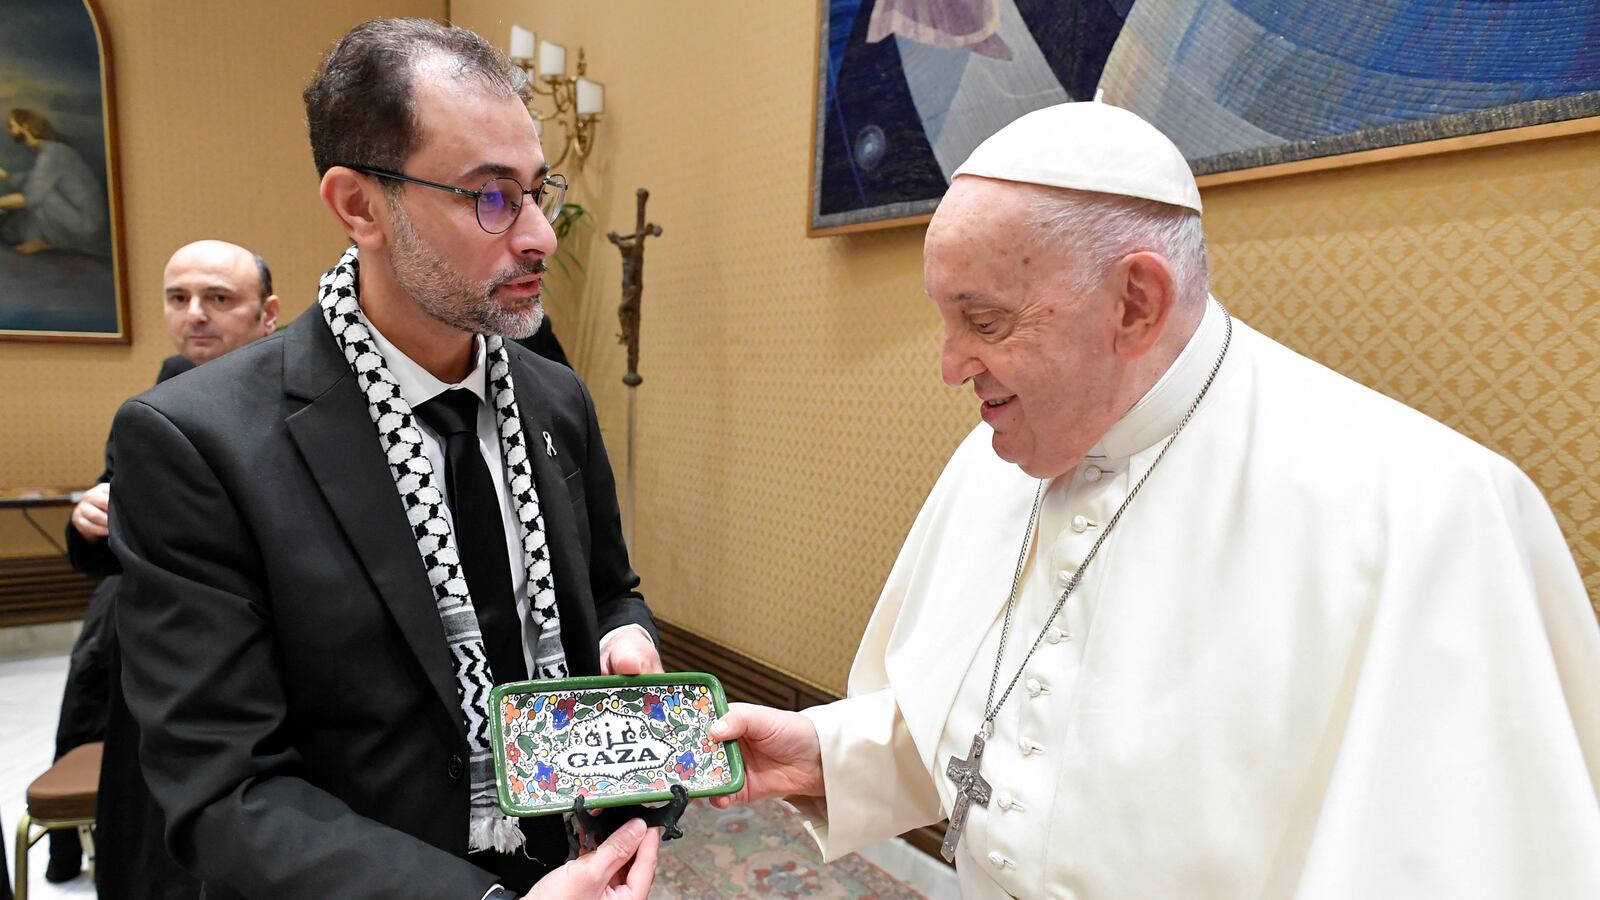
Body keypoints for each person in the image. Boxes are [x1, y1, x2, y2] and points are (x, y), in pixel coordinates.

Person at [712, 101, 1600, 898]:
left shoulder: (1422, 513)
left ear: (1136, 301)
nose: (950, 367)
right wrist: (823, 758)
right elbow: (986, 723)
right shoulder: (1002, 451)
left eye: (984, 322)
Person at [108, 18, 662, 899]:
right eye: (490, 196)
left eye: (537, 191)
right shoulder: (197, 442)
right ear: (359, 206)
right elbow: (225, 791)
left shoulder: (556, 398)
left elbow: (607, 588)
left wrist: (625, 635)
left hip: (567, 857)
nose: (539, 238)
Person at [51, 239, 278, 889]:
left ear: (267, 313)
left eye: (218, 298)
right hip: (157, 648)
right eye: (179, 298)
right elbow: (112, 511)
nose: (195, 314)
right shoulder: (154, 402)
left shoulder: (303, 396)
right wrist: (91, 517)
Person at [0, 107, 110, 256]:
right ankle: (41, 241)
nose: (8, 130)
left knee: (36, 199)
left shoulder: (52, 154)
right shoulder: (52, 151)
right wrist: (6, 176)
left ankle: (46, 242)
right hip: (82, 219)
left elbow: (29, 198)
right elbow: (33, 179)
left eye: (10, 125)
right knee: (10, 229)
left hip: (86, 225)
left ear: (24, 126)